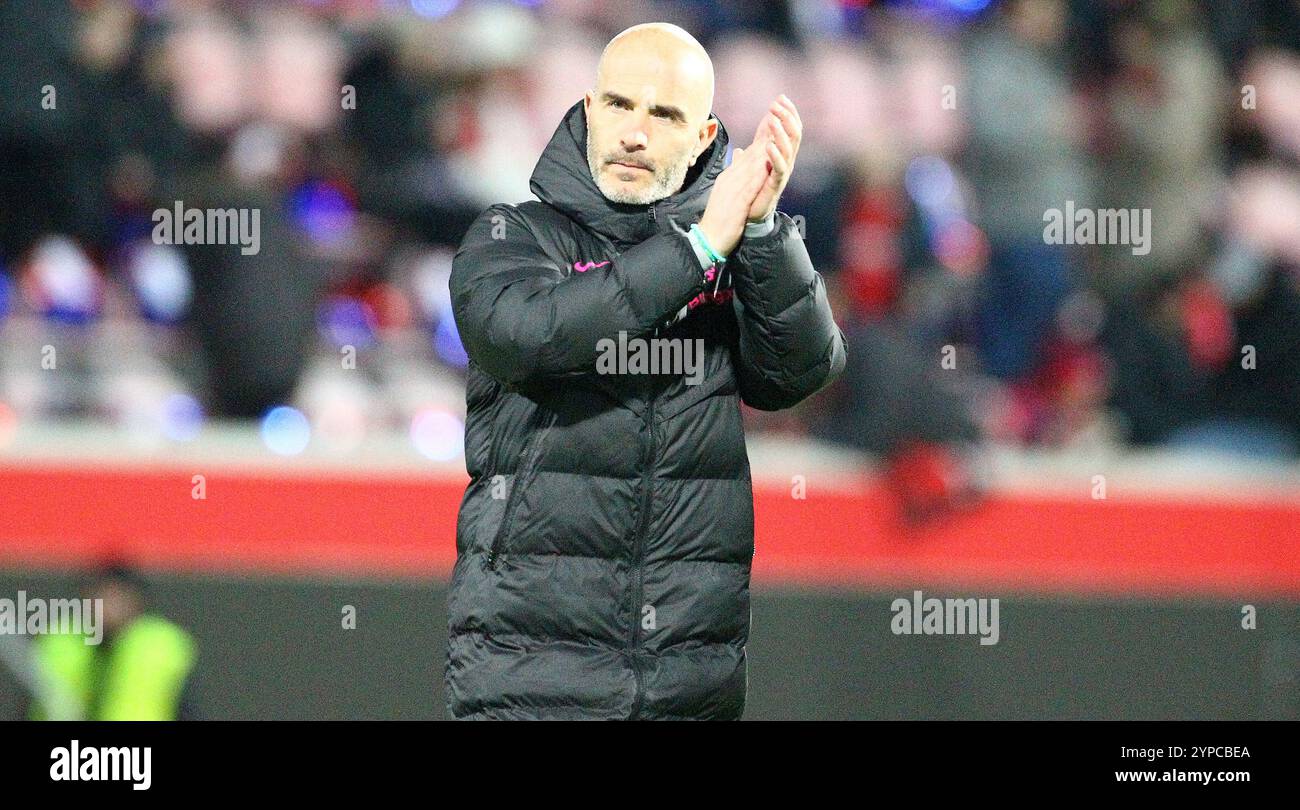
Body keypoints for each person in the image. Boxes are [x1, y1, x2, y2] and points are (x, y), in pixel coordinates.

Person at [445, 22, 845, 720]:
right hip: (531, 681)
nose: (635, 132)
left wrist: (760, 231)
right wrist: (695, 252)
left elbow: (798, 373)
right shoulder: (511, 236)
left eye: (664, 115)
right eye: (622, 105)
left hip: (688, 684)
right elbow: (528, 337)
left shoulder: (734, 251)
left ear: (702, 137)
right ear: (590, 110)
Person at [29, 565, 198, 721]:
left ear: (136, 602)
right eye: (101, 598)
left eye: (117, 599)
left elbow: (186, 711)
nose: (107, 609)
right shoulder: (59, 642)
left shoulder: (160, 647)